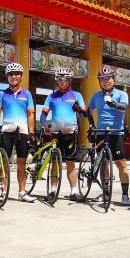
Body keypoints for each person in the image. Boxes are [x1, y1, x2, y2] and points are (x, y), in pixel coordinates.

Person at [88, 65, 130, 206]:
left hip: (116, 132)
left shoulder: (121, 94)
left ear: (113, 80)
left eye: (108, 78)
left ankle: (125, 195)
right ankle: (105, 192)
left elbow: (124, 107)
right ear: (99, 81)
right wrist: (91, 125)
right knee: (103, 163)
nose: (105, 81)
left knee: (121, 163)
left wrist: (113, 103)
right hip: (101, 133)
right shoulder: (96, 96)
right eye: (102, 79)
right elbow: (90, 110)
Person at [0, 62, 37, 202]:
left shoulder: (27, 94)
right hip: (7, 132)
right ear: (7, 77)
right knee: (4, 163)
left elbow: (30, 114)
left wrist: (32, 133)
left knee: (21, 164)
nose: (14, 76)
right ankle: (3, 191)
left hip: (22, 132)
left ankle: (22, 193)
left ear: (21, 76)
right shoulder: (2, 94)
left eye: (17, 74)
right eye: (11, 74)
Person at [40, 67, 86, 201]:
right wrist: (44, 126)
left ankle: (74, 192)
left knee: (71, 164)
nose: (63, 81)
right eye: (60, 79)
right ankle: (53, 190)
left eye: (66, 79)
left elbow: (85, 114)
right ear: (57, 80)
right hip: (56, 135)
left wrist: (79, 109)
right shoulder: (51, 97)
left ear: (70, 80)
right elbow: (43, 115)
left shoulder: (77, 95)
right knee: (55, 163)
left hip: (70, 134)